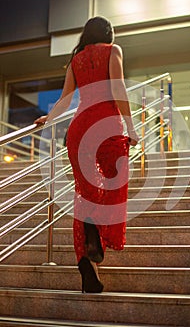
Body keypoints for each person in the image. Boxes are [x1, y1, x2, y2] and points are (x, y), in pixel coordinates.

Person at [34, 16, 139, 293]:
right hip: (107, 124)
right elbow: (117, 87)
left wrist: (50, 118)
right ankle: (96, 233)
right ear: (109, 33)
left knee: (85, 194)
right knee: (112, 185)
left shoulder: (77, 58)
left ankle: (85, 261)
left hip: (80, 128)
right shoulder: (112, 50)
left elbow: (66, 98)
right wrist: (132, 127)